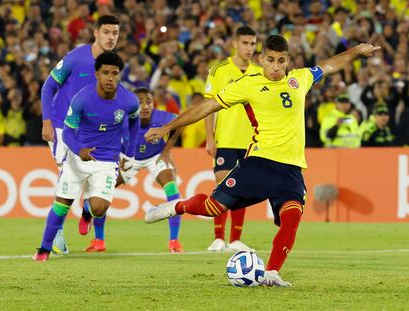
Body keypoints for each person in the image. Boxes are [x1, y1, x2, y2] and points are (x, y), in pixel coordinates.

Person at [144, 35, 379, 287]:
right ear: (261, 59)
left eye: (281, 60)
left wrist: (356, 50)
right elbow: (208, 106)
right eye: (270, 60)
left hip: (290, 169)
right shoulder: (247, 84)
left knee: (292, 218)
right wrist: (169, 125)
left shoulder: (300, 78)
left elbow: (331, 64)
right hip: (258, 163)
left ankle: (272, 273)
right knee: (213, 208)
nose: (276, 66)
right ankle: (176, 207)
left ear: (288, 60)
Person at [32, 51, 140, 261]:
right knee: (61, 203)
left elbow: (135, 123)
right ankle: (43, 250)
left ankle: (87, 212)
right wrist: (79, 150)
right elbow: (69, 131)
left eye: (115, 73)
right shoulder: (81, 98)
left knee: (100, 208)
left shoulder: (129, 101)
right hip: (77, 156)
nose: (110, 78)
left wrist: (131, 152)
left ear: (120, 75)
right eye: (105, 73)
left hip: (107, 159)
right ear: (96, 74)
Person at [40, 15, 121, 255]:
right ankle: (58, 235)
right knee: (66, 177)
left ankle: (87, 210)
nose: (110, 37)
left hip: (92, 130)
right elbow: (48, 87)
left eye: (115, 33)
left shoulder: (112, 65)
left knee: (92, 180)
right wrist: (46, 122)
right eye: (106, 32)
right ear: (96, 33)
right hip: (63, 127)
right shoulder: (76, 58)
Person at [79, 87, 184, 253]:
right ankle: (97, 238)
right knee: (101, 194)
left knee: (173, 192)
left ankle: (174, 242)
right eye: (140, 102)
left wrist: (166, 151)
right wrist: (115, 154)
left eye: (148, 102)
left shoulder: (161, 117)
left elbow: (179, 123)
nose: (145, 106)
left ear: (153, 103)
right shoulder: (123, 118)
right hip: (127, 158)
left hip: (155, 157)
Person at [204, 26, 260, 252]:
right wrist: (210, 137)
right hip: (225, 139)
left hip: (250, 141)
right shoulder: (219, 70)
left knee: (242, 189)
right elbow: (208, 107)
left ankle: (235, 239)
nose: (249, 48)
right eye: (245, 43)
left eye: (253, 44)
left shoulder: (259, 72)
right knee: (222, 186)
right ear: (235, 44)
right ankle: (218, 237)